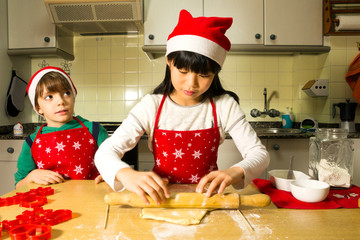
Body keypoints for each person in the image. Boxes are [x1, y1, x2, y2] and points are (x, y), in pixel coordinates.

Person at [95, 10, 269, 205]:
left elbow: (259, 154)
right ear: (169, 62)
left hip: (207, 200)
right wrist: (125, 173)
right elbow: (105, 152)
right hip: (161, 200)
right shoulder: (151, 105)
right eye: (183, 71)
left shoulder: (224, 106)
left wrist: (234, 172)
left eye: (204, 76)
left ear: (215, 74)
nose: (191, 84)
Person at [15, 66, 108, 189]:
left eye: (66, 93)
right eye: (49, 97)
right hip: (52, 205)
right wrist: (31, 176)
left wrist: (111, 174)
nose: (60, 101)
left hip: (91, 203)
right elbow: (18, 186)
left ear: (74, 97)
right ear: (38, 108)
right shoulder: (31, 142)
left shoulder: (95, 131)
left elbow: (116, 167)